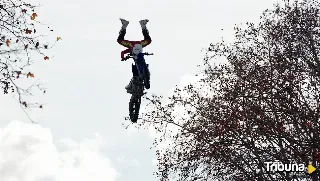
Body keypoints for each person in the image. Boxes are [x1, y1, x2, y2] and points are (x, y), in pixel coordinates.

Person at [117, 18, 152, 94]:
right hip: (137, 47)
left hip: (135, 48)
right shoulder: (133, 46)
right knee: (148, 40)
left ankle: (125, 26)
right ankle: (142, 26)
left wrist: (123, 58)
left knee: (119, 40)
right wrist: (123, 57)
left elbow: (123, 52)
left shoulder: (131, 46)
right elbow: (123, 52)